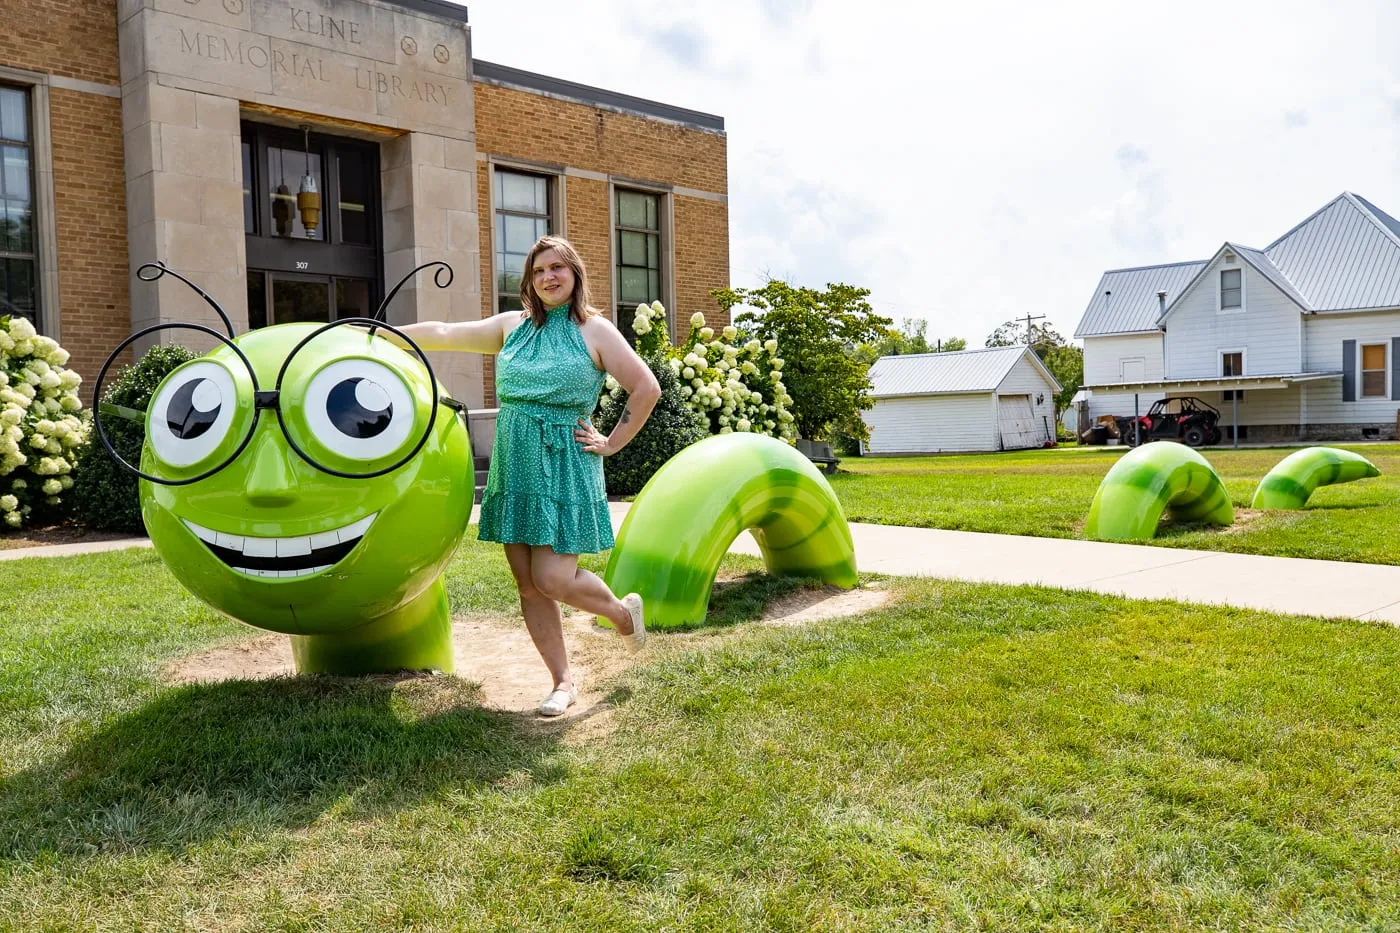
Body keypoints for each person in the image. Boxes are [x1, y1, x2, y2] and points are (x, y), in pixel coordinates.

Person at [389, 235, 661, 716]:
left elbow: (645, 387)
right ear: (529, 281)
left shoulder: (594, 330)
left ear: (574, 273)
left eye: (557, 268)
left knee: (553, 578)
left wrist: (612, 443)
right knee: (529, 586)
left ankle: (621, 613)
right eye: (538, 271)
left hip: (564, 464)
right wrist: (380, 333)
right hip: (515, 463)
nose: (548, 277)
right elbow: (447, 332)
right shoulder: (511, 326)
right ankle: (562, 682)